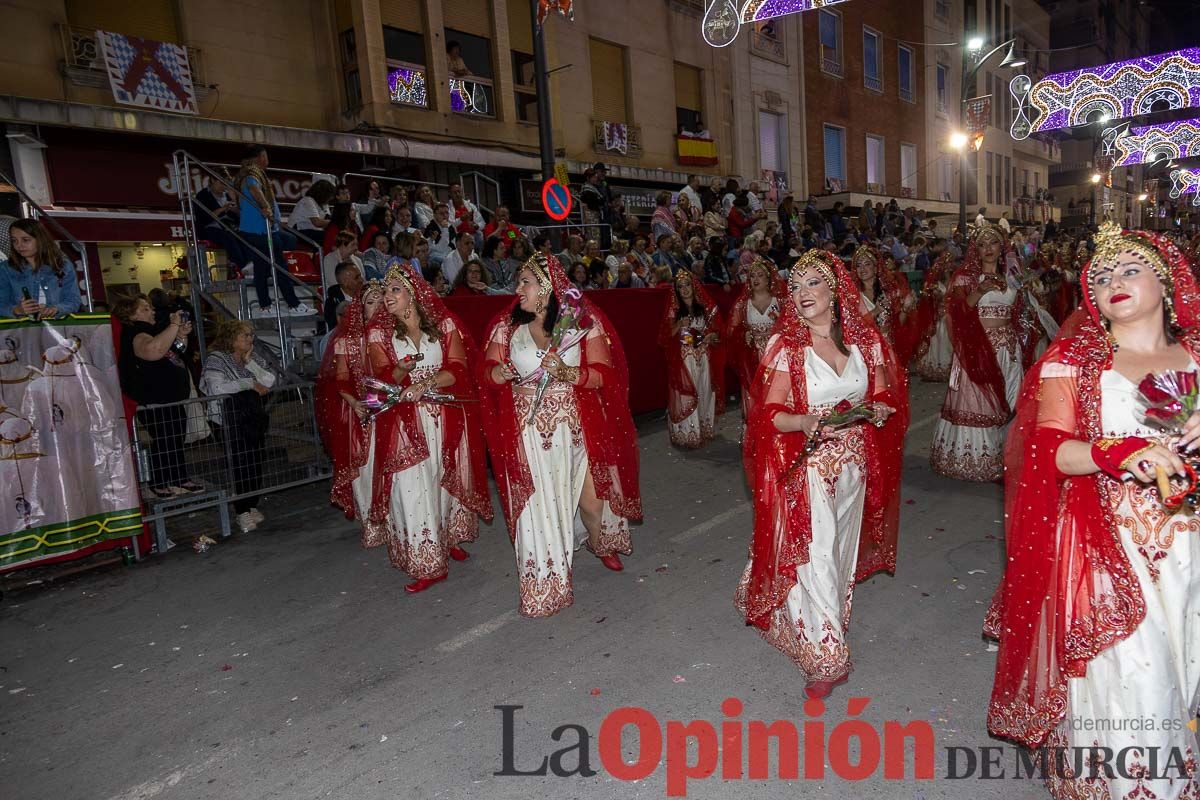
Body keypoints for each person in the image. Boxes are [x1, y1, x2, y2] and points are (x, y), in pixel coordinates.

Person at [986, 224, 1200, 799]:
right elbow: (1048, 451)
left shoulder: (1199, 354)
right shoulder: (1075, 363)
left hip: (1191, 548)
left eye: (1130, 268)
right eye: (1101, 277)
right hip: (1109, 549)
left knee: (1187, 674)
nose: (1114, 282)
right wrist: (1117, 452)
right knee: (1140, 677)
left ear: (1167, 279)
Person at [734, 250, 907, 700]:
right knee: (818, 554)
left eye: (812, 282)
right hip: (809, 465)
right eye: (795, 286)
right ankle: (826, 655)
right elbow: (769, 416)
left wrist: (881, 408)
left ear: (835, 289)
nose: (802, 292)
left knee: (840, 555)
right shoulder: (785, 349)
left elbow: (886, 391)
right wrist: (805, 421)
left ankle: (813, 621)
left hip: (855, 466)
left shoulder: (866, 343)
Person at [481, 254, 642, 616]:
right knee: (540, 507)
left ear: (548, 288)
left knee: (592, 502)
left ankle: (601, 542)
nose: (518, 288)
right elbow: (487, 375)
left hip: (576, 427)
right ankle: (546, 581)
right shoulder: (506, 327)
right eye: (519, 282)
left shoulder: (582, 323)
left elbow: (603, 375)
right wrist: (501, 374)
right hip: (529, 433)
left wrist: (568, 374)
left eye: (526, 282)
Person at [366, 262, 493, 592]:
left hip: (445, 416)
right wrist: (400, 370)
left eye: (395, 289)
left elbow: (458, 369)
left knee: (444, 481)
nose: (387, 295)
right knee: (413, 487)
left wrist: (429, 382)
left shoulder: (444, 324)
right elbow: (380, 383)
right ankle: (428, 562)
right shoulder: (379, 334)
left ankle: (447, 537)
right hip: (404, 424)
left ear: (413, 294)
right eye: (385, 290)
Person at [930, 224, 1034, 481]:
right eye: (982, 244)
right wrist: (980, 291)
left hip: (1008, 349)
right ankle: (977, 461)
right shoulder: (966, 278)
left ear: (1002, 248)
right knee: (980, 400)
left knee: (1010, 398)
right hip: (978, 347)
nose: (988, 248)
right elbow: (956, 312)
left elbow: (1023, 311)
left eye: (993, 243)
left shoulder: (1013, 276)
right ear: (976, 250)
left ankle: (1006, 457)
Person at [317, 280, 387, 546]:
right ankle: (373, 524)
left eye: (382, 301)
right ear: (361, 308)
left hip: (391, 408)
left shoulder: (397, 335)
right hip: (360, 411)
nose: (378, 307)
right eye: (371, 302)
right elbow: (341, 379)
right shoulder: (347, 339)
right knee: (366, 467)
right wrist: (357, 404)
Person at [113, 294, 199, 499]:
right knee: (165, 438)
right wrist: (173, 326)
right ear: (131, 314)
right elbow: (153, 351)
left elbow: (176, 351)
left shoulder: (153, 331)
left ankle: (178, 477)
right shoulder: (136, 333)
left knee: (176, 437)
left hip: (171, 398)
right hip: (154, 399)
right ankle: (158, 482)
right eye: (145, 308)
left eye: (150, 307)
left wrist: (181, 335)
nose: (151, 311)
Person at [200, 320, 277, 534]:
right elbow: (216, 387)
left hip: (251, 418)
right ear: (232, 338)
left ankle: (251, 504)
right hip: (227, 420)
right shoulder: (217, 359)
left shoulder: (250, 358)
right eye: (245, 336)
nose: (250, 339)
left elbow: (269, 380)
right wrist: (249, 384)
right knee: (239, 464)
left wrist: (250, 363)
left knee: (256, 460)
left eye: (251, 335)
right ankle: (241, 510)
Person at [234, 145, 314, 317]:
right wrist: (265, 207)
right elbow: (255, 190)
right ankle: (293, 304)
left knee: (263, 268)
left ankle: (266, 307)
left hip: (267, 229)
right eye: (265, 155)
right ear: (258, 157)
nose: (267, 159)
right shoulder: (251, 175)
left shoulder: (255, 175)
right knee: (280, 266)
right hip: (259, 230)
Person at [659, 271, 725, 449]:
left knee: (704, 389)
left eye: (687, 285)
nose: (685, 289)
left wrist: (711, 336)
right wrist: (679, 324)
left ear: (693, 286)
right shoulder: (674, 310)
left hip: (703, 356)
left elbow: (717, 334)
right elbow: (665, 337)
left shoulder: (704, 308)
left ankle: (703, 428)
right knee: (688, 391)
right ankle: (688, 432)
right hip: (685, 358)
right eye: (680, 287)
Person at [725, 257, 783, 419]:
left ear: (768, 278)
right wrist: (744, 334)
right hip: (752, 359)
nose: (756, 279)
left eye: (760, 275)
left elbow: (792, 327)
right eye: (752, 276)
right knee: (755, 396)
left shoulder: (780, 302)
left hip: (777, 357)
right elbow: (730, 333)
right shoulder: (742, 305)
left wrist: (780, 326)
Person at [0, 219, 82, 319]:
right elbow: (2, 305)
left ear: (40, 239)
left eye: (25, 240)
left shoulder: (63, 265)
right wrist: (17, 310)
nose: (19, 245)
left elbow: (73, 301)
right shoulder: (5, 269)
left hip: (57, 330)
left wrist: (56, 309)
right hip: (20, 331)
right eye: (14, 240)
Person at [911, 248, 954, 381]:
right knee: (939, 340)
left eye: (950, 263)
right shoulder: (934, 284)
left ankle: (951, 370)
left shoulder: (955, 280)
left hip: (950, 317)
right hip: (939, 318)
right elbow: (927, 300)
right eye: (946, 264)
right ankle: (936, 369)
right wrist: (937, 300)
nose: (948, 266)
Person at [287, 179, 335, 247]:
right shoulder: (308, 201)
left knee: (335, 235)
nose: (331, 198)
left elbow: (328, 219)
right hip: (298, 231)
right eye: (330, 195)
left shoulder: (324, 204)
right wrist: (335, 221)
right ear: (323, 194)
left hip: (311, 230)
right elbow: (317, 222)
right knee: (327, 237)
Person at [324, 261, 364, 332]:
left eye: (360, 276)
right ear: (345, 282)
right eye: (357, 277)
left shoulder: (367, 296)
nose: (361, 280)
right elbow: (334, 327)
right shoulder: (332, 303)